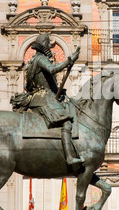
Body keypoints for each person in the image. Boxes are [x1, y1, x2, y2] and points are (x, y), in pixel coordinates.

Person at [24, 33, 83, 166]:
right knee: (67, 122)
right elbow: (52, 69)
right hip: (44, 98)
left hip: (39, 97)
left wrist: (57, 91)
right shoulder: (41, 59)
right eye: (48, 44)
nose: (49, 47)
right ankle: (69, 157)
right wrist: (69, 60)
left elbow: (29, 85)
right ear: (44, 45)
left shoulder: (33, 61)